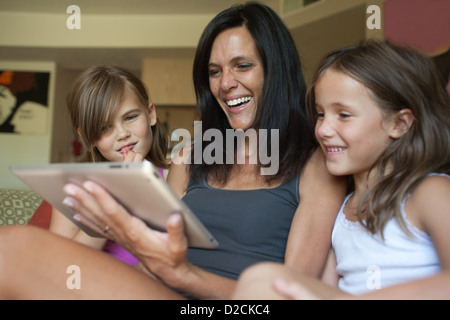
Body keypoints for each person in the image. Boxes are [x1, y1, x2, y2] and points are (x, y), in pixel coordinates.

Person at [0, 2, 345, 299]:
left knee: (14, 249)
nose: (225, 83)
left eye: (243, 65)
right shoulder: (191, 156)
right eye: (214, 71)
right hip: (162, 289)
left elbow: (290, 289)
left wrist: (185, 277)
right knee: (13, 253)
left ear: (276, 70)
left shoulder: (315, 163)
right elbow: (154, 262)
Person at [232, 40, 450, 299]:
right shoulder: (341, 214)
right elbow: (325, 289)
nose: (323, 130)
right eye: (321, 114)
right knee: (263, 281)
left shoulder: (430, 193)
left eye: (344, 115)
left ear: (400, 123)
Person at [48, 65, 169, 267]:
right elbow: (60, 266)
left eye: (130, 117)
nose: (122, 134)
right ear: (87, 138)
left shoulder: (177, 177)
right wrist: (118, 196)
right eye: (105, 128)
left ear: (151, 114)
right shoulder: (74, 189)